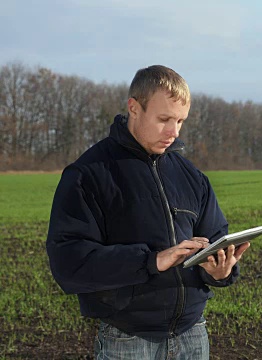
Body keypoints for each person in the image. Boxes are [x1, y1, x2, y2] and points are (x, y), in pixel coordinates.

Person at [46, 65, 249, 359]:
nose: (174, 131)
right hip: (128, 339)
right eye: (164, 119)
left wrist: (221, 270)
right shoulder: (88, 174)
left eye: (180, 121)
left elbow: (215, 237)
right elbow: (68, 262)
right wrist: (152, 260)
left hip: (192, 335)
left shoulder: (191, 176)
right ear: (134, 108)